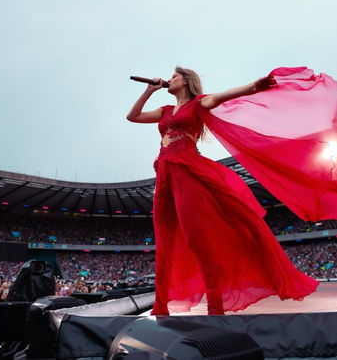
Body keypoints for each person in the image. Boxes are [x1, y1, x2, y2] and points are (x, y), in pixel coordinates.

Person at [127, 66, 320, 315]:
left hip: (188, 174)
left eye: (175, 76)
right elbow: (133, 117)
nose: (170, 79)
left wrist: (252, 87)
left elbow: (222, 96)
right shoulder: (164, 111)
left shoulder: (198, 103)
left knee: (199, 241)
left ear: (186, 81)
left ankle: (215, 306)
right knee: (164, 244)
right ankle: (160, 306)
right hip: (164, 177)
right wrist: (149, 90)